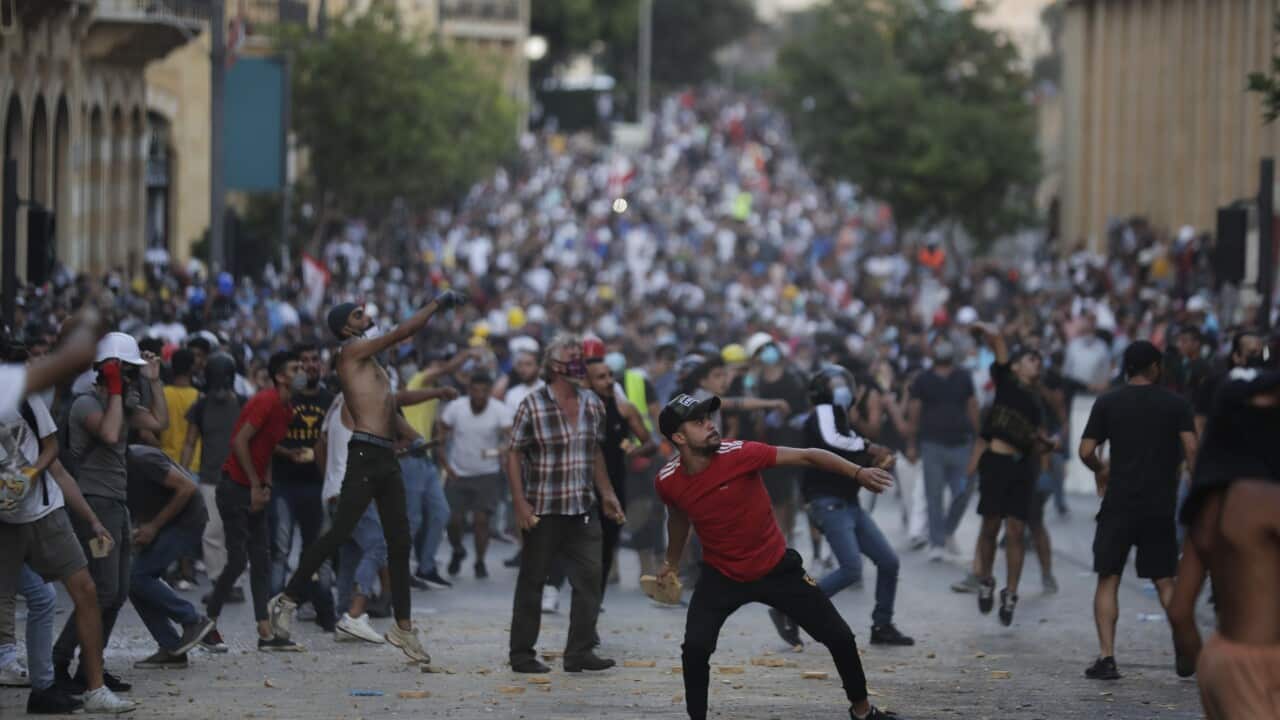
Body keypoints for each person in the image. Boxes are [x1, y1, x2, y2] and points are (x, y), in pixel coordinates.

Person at [652, 392, 900, 720]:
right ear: (679, 437)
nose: (710, 425)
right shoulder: (667, 482)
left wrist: (858, 473)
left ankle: (863, 711)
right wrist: (670, 562)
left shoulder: (741, 453)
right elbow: (679, 519)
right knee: (695, 650)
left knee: (839, 637)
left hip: (775, 566)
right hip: (721, 575)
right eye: (699, 422)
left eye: (709, 418)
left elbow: (810, 456)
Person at [269, 292, 467, 664]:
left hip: (384, 457)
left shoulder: (372, 362)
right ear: (346, 326)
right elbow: (406, 330)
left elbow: (389, 409)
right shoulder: (351, 352)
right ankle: (288, 598)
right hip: (364, 455)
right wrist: (437, 303)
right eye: (359, 314)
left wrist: (413, 438)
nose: (366, 316)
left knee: (400, 541)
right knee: (340, 532)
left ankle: (404, 629)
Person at [0, 388, 136, 713]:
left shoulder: (24, 398)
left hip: (45, 513)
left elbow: (53, 454)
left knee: (87, 590)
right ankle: (44, 687)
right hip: (5, 524)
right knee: (40, 599)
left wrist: (91, 520)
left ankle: (94, 689)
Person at [55, 332, 169, 694]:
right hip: (93, 503)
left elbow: (157, 423)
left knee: (116, 593)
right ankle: (63, 658)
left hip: (116, 502)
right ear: (109, 370)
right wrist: (117, 389)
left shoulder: (123, 399)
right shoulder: (85, 403)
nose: (132, 377)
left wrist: (154, 381)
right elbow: (107, 432)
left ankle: (92, 669)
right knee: (101, 591)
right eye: (126, 370)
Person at [506, 335, 625, 674]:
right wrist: (519, 503)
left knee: (590, 579)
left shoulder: (592, 404)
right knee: (532, 581)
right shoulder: (532, 405)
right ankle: (522, 654)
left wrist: (607, 493)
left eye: (580, 358)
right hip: (543, 508)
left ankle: (579, 652)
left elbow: (594, 451)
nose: (579, 365)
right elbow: (513, 453)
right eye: (572, 358)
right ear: (554, 366)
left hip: (581, 508)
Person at [1078, 340, 1196, 681]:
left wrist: (1100, 469)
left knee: (1108, 577)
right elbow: (1191, 448)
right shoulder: (1176, 404)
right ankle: (1183, 644)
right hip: (1160, 505)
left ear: (1127, 368)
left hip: (1119, 504)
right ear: (1156, 367)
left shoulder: (1108, 401)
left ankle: (1107, 657)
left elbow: (1086, 450)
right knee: (1164, 580)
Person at [1167, 367, 1280, 719]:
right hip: (1260, 667)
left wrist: (1202, 665)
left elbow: (1180, 611)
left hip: (1220, 660)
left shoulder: (1207, 506)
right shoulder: (1262, 499)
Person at [793, 366, 914, 647]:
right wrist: (870, 447)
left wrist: (876, 462)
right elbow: (831, 442)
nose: (843, 390)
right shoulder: (824, 412)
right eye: (835, 384)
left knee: (888, 561)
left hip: (848, 502)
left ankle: (882, 625)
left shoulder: (842, 420)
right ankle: (793, 608)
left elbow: (844, 455)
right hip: (828, 502)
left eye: (843, 383)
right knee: (850, 569)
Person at [204, 350, 304, 652]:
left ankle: (264, 630)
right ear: (280, 376)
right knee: (237, 561)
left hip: (253, 488)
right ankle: (207, 623)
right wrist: (253, 486)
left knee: (261, 559)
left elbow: (267, 449)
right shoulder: (266, 401)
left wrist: (265, 486)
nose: (302, 371)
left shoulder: (286, 408)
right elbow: (239, 442)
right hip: (235, 488)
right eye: (295, 367)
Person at [545, 349, 658, 612]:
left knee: (607, 545)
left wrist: (634, 452)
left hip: (613, 488)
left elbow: (649, 442)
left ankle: (593, 600)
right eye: (601, 377)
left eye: (610, 376)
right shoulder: (574, 409)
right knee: (569, 539)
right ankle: (553, 587)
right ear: (586, 382)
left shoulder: (624, 408)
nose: (608, 381)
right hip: (577, 485)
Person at [968, 323, 1054, 627]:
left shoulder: (1036, 403)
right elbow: (1000, 343)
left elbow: (1036, 438)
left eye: (1039, 361)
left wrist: (1046, 445)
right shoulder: (1005, 381)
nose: (1037, 364)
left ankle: (1011, 593)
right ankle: (987, 579)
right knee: (991, 526)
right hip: (996, 463)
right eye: (1031, 359)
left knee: (1016, 531)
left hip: (1022, 469)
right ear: (1016, 366)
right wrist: (985, 329)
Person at [125, 444, 215, 668]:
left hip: (186, 521)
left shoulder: (142, 460)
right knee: (133, 582)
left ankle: (193, 620)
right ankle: (171, 647)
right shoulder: (117, 469)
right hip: (165, 524)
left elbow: (187, 488)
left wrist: (153, 526)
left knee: (139, 577)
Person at [267, 343, 336, 631]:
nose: (310, 366)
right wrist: (288, 454)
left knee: (316, 551)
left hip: (317, 487)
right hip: (284, 485)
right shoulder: (285, 400)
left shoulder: (329, 400)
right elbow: (268, 438)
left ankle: (311, 604)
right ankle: (273, 611)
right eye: (303, 362)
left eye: (314, 360)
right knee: (281, 551)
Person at [184, 352, 245, 640]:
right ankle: (220, 582)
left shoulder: (243, 405)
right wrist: (183, 474)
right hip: (210, 478)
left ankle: (233, 580)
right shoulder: (199, 407)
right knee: (212, 532)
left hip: (238, 478)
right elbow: (190, 441)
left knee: (236, 533)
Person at [906, 340, 979, 561]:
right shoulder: (923, 379)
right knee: (933, 494)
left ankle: (948, 530)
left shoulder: (963, 377)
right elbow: (915, 411)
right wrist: (911, 443)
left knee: (964, 490)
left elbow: (972, 406)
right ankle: (937, 542)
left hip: (961, 443)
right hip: (932, 443)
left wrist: (978, 438)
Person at [437, 371, 513, 579]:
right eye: (476, 390)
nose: (479, 395)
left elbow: (512, 438)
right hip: (457, 472)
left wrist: (500, 452)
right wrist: (444, 463)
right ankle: (457, 549)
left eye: (484, 391)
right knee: (453, 520)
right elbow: (441, 433)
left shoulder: (500, 411)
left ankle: (480, 561)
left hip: (487, 474)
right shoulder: (456, 408)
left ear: (490, 392)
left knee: (482, 521)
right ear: (469, 390)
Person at [158, 349, 200, 469]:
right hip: (192, 463)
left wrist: (159, 447)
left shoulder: (162, 394)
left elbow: (145, 433)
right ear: (192, 368)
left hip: (165, 462)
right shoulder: (199, 397)